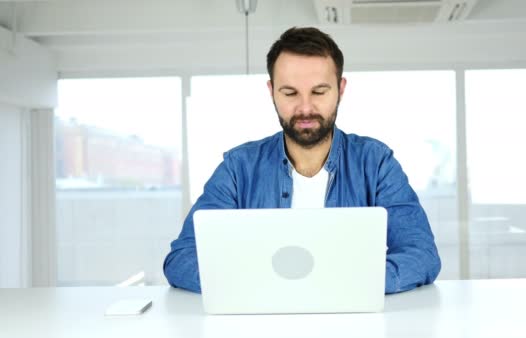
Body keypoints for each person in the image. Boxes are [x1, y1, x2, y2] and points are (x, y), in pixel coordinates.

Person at [163, 27, 441, 294]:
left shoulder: (376, 162)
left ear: (340, 89)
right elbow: (182, 259)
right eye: (290, 93)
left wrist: (333, 284)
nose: (305, 107)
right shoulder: (238, 168)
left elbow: (421, 255)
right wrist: (273, 286)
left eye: (319, 92)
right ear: (271, 91)